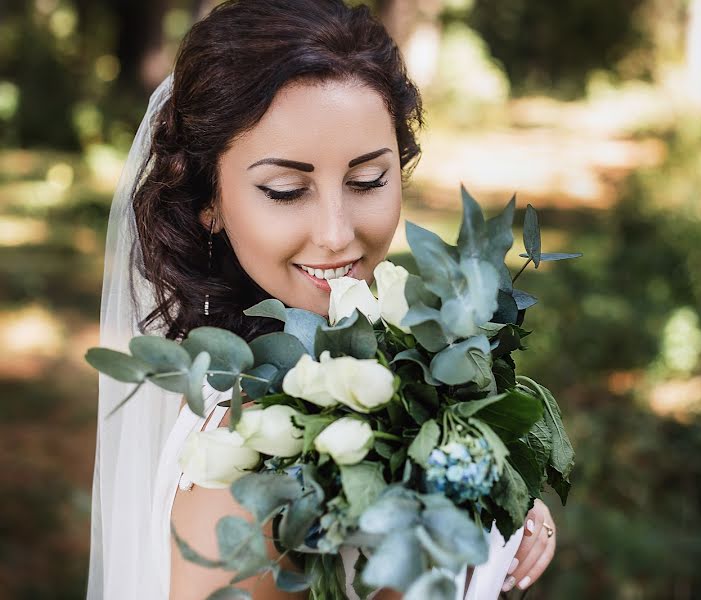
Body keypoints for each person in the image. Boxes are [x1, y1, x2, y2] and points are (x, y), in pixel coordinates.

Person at [86, 1, 557, 598]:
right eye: (285, 191)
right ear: (210, 200)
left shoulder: (364, 367)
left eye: (366, 181)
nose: (336, 233)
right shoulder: (252, 457)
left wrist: (500, 498)